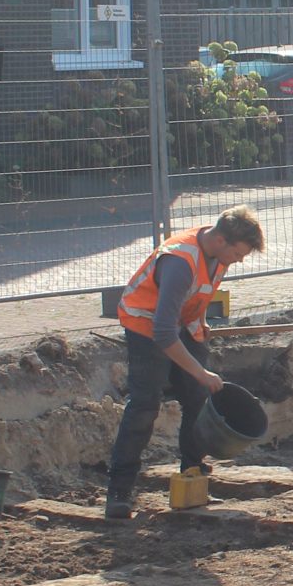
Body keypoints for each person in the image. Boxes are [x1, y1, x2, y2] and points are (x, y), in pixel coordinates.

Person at [103, 207, 264, 519]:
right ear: (220, 240)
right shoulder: (180, 262)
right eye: (238, 253)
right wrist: (200, 372)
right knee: (145, 405)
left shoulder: (217, 255)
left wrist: (198, 327)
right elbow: (163, 334)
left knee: (197, 399)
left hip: (180, 324)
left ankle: (192, 475)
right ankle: (119, 491)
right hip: (146, 326)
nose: (239, 260)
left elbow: (197, 296)